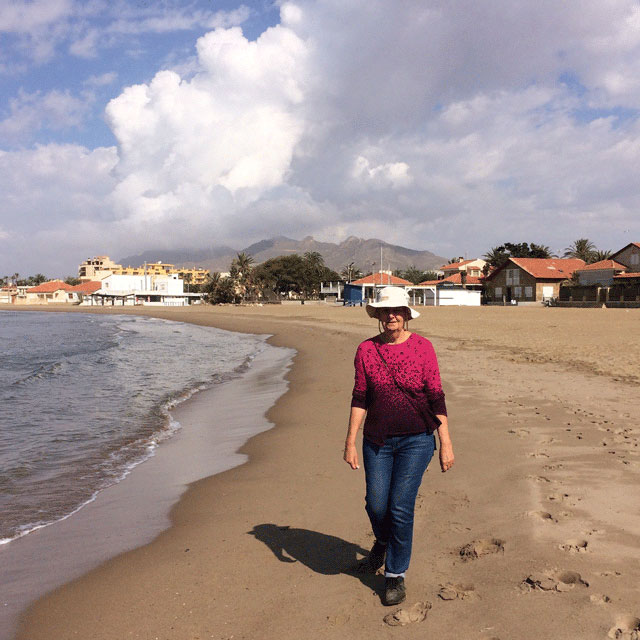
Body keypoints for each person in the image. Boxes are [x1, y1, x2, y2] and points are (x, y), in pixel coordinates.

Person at [343, 286, 454, 606]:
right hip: (376, 440)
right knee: (376, 505)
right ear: (377, 315)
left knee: (400, 507)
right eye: (385, 310)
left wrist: (445, 443)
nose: (391, 315)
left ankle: (395, 575)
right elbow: (360, 397)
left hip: (417, 440)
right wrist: (350, 441)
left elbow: (436, 396)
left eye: (397, 310)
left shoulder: (423, 348)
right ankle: (382, 542)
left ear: (406, 314)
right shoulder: (366, 350)